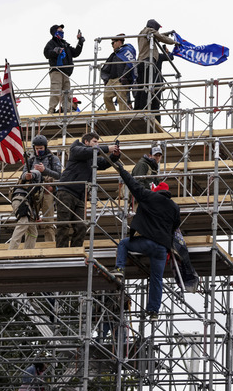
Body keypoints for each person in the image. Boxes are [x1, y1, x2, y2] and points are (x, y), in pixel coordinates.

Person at [111, 162, 181, 319]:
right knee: (157, 279)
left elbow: (133, 184)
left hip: (147, 242)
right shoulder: (174, 207)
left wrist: (122, 170)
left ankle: (120, 270)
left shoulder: (149, 196)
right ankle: (153, 310)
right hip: (162, 248)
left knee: (123, 244)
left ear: (157, 191)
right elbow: (176, 225)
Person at [55, 133, 121, 248]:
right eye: (95, 142)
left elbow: (104, 163)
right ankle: (62, 252)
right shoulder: (75, 148)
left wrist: (114, 156)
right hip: (66, 191)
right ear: (86, 142)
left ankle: (75, 252)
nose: (97, 144)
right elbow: (85, 152)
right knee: (63, 224)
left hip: (80, 196)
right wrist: (107, 148)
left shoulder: (91, 157)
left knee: (81, 226)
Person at [135, 20, 177, 118]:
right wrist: (174, 42)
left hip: (141, 63)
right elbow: (160, 37)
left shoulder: (143, 32)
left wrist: (167, 33)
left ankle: (137, 110)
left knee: (142, 87)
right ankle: (143, 110)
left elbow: (158, 36)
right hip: (148, 63)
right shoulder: (150, 31)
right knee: (148, 88)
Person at [28, 134, 63, 244]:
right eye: (37, 148)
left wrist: (44, 170)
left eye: (41, 148)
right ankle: (29, 245)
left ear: (45, 147)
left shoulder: (53, 158)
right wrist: (28, 175)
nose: (38, 150)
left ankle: (49, 244)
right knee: (29, 221)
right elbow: (24, 173)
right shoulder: (31, 159)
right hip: (33, 192)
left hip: (48, 191)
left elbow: (59, 175)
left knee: (48, 221)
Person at [43, 24, 85, 113]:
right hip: (57, 71)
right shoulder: (51, 43)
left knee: (67, 92)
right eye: (60, 30)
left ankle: (67, 109)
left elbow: (75, 53)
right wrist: (56, 51)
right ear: (55, 32)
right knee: (56, 90)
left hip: (66, 71)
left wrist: (80, 42)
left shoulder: (65, 44)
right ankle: (51, 111)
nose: (62, 32)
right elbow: (46, 53)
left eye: (62, 31)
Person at [7, 166, 43, 250]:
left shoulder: (40, 186)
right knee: (23, 222)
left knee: (33, 231)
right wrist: (29, 176)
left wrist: (35, 215)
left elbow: (33, 203)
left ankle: (28, 251)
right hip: (21, 199)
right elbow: (27, 175)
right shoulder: (38, 174)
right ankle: (12, 250)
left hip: (26, 202)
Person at [100, 34, 135, 111]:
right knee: (106, 97)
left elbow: (130, 64)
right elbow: (105, 68)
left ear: (119, 42)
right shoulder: (114, 54)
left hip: (121, 80)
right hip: (111, 81)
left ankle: (122, 118)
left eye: (113, 43)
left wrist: (124, 76)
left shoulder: (126, 51)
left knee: (121, 99)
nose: (112, 45)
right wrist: (106, 79)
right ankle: (113, 115)